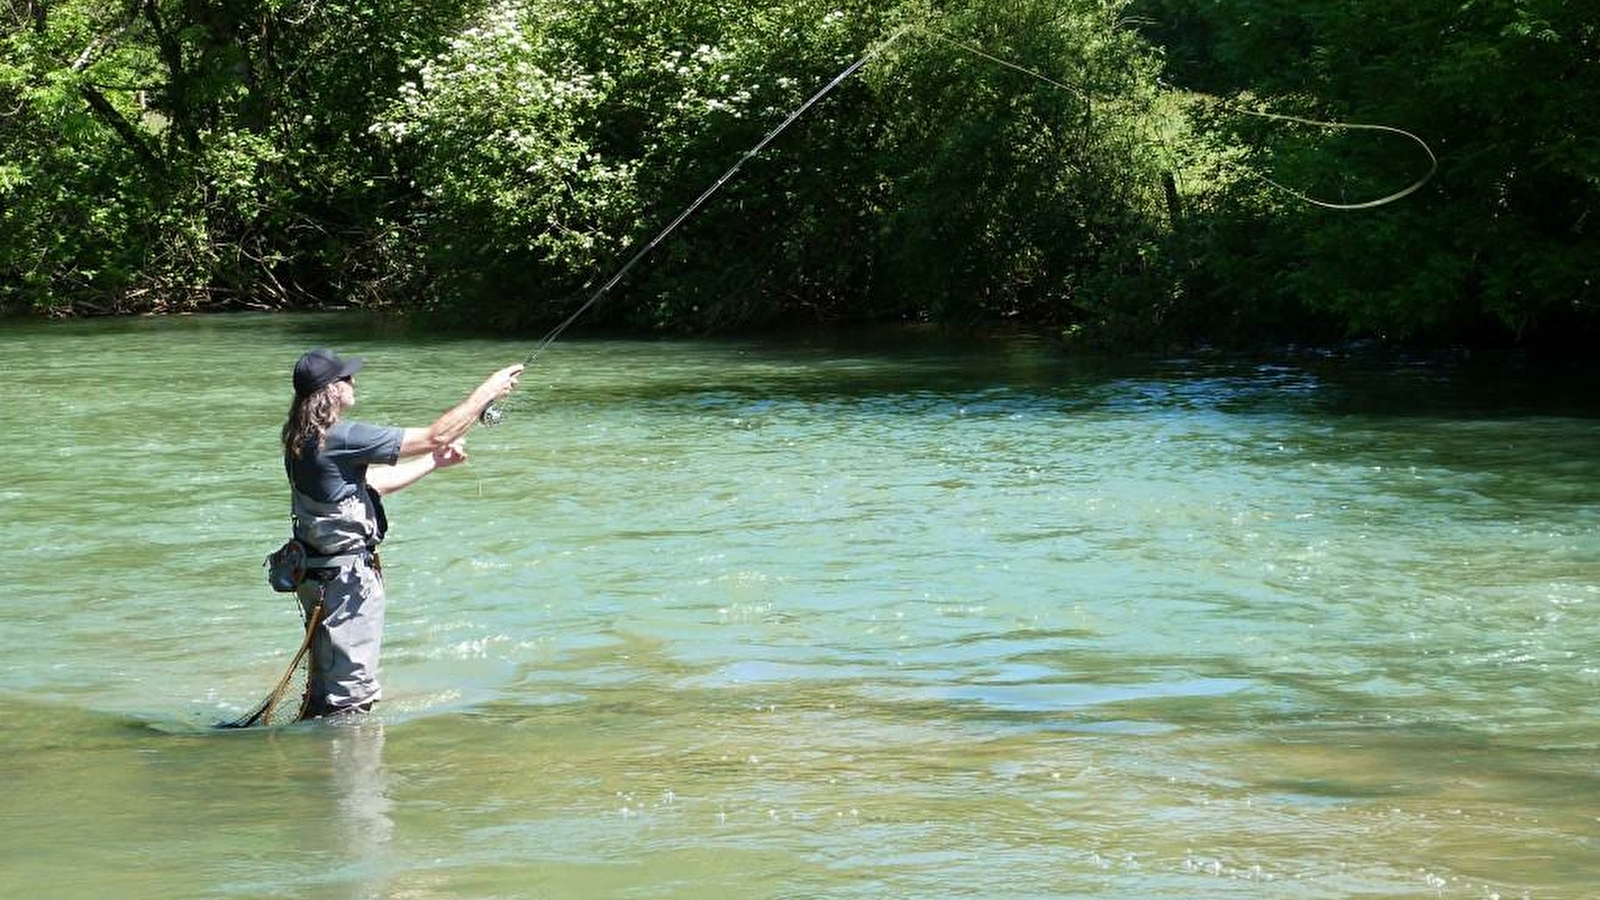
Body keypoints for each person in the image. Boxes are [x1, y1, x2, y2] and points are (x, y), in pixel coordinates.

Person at [281, 347, 522, 718]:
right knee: (351, 700)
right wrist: (487, 391)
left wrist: (433, 463)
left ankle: (314, 765)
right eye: (346, 377)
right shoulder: (342, 437)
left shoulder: (303, 439)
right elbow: (435, 435)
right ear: (331, 390)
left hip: (318, 576)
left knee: (326, 689)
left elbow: (370, 485)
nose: (353, 381)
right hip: (345, 584)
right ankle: (350, 771)